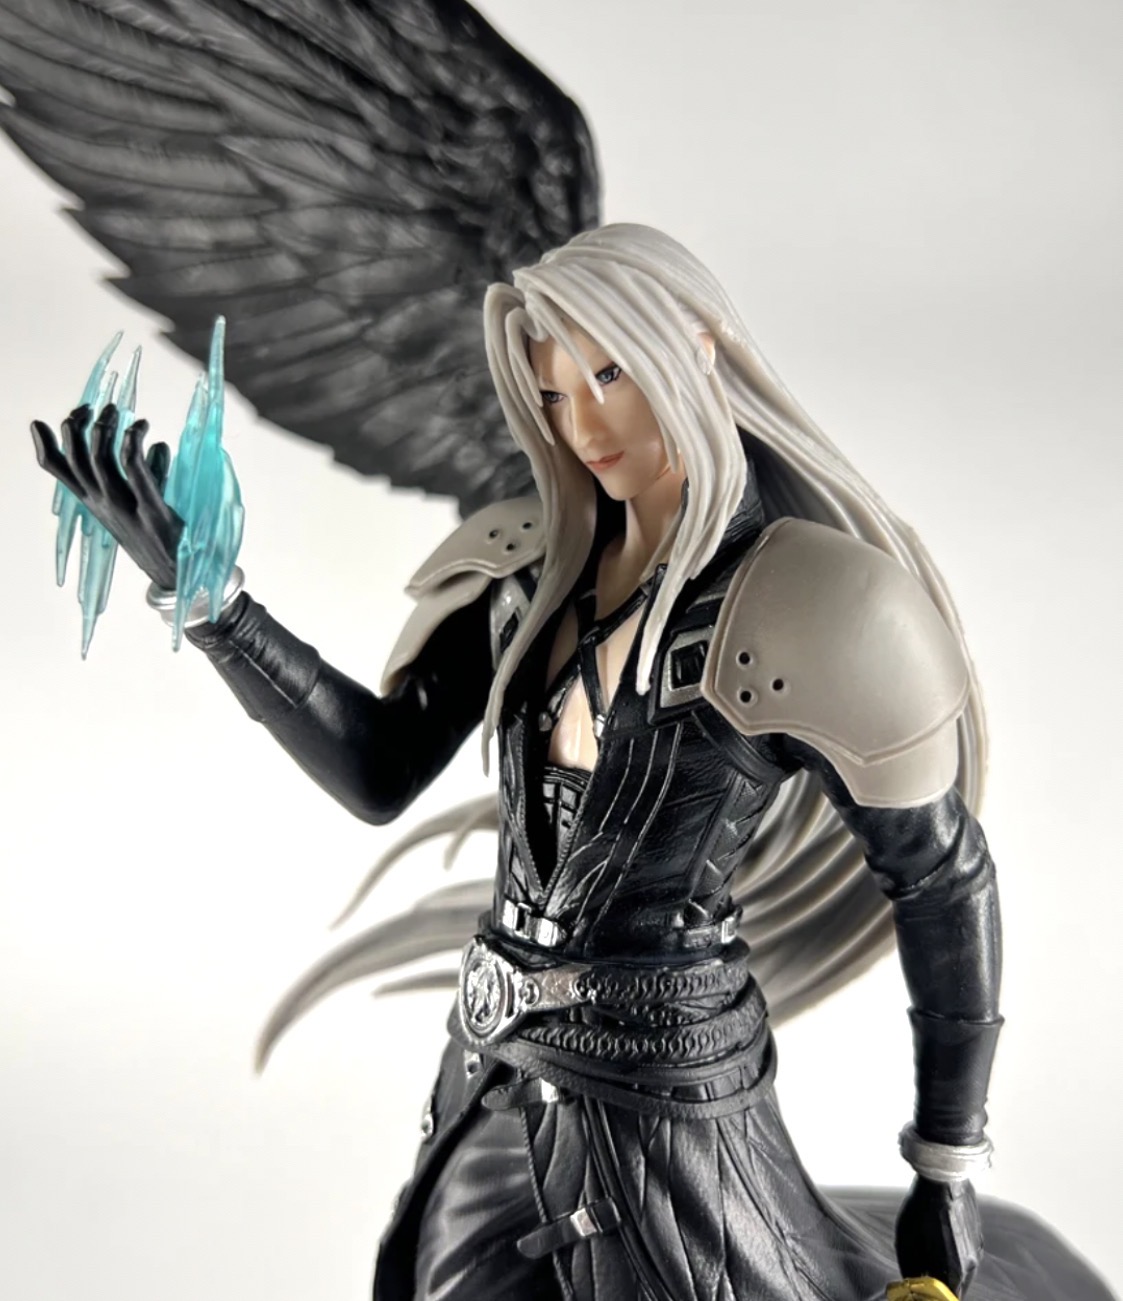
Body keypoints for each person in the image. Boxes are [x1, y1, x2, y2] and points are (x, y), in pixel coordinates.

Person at [30, 225, 1114, 1301]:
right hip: (490, 1088)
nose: (584, 424)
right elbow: (377, 770)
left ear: (695, 349)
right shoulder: (527, 574)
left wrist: (946, 1161)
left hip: (675, 1119)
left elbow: (941, 875)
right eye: (553, 392)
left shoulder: (814, 601)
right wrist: (213, 604)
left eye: (610, 376)